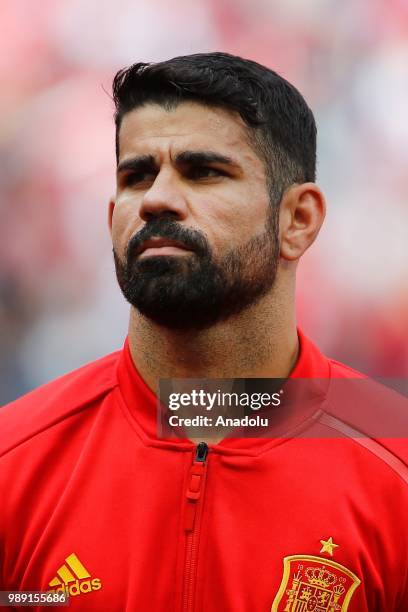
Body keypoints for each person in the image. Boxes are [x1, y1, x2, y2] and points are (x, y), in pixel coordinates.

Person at [0, 52, 407, 612]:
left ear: (298, 220)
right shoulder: (14, 461)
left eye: (204, 171)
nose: (156, 199)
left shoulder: (396, 455)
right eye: (136, 175)